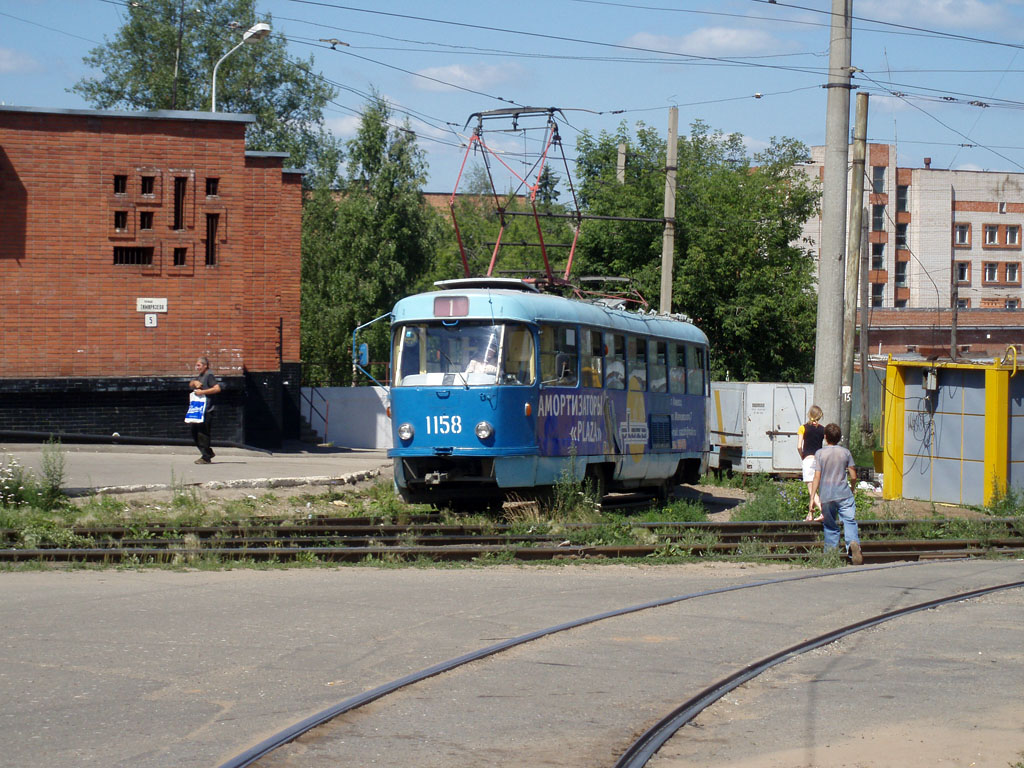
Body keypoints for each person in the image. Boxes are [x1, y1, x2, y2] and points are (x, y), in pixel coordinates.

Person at [808, 422, 863, 565]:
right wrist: (852, 487)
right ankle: (852, 544)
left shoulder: (820, 453)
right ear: (839, 437)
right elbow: (853, 475)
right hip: (844, 493)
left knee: (830, 525)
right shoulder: (845, 452)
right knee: (849, 521)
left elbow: (816, 477)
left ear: (825, 437)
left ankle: (831, 556)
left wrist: (812, 498)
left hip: (827, 495)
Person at [188, 356, 221, 464]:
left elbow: (217, 388)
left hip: (207, 409)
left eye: (199, 365)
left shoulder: (209, 375)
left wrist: (202, 392)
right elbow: (191, 384)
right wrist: (194, 383)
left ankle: (206, 457)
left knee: (203, 433)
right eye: (196, 365)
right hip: (199, 409)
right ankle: (208, 452)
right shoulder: (201, 375)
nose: (197, 367)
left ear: (205, 366)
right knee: (194, 431)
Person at [797, 405, 825, 521]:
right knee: (815, 489)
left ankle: (823, 511)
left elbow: (799, 446)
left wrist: (803, 456)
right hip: (819, 460)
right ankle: (810, 514)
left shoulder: (802, 428)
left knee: (811, 489)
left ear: (809, 414)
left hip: (808, 459)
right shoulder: (823, 429)